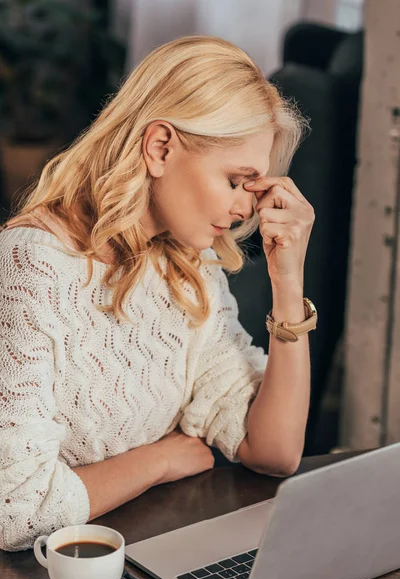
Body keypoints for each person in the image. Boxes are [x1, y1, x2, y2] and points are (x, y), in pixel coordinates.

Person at [0, 34, 315, 552]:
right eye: (238, 181)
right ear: (160, 147)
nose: (247, 209)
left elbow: (275, 451)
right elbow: (16, 509)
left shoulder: (186, 267)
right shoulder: (33, 264)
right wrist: (159, 459)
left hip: (143, 550)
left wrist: (289, 280)